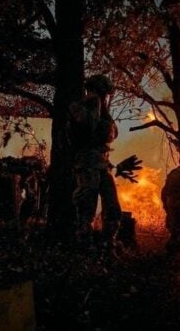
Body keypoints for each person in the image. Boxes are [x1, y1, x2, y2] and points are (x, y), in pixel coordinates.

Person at [68, 74, 122, 251]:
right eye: (103, 93)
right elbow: (89, 125)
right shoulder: (82, 106)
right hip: (87, 164)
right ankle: (84, 246)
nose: (105, 97)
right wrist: (94, 103)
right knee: (86, 209)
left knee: (113, 208)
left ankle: (108, 244)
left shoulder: (100, 110)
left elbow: (110, 135)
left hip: (101, 165)